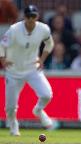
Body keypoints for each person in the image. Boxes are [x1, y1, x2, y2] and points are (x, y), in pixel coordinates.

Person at [0, 5, 55, 136]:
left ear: (37, 17)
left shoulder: (43, 29)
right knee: (10, 107)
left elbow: (50, 44)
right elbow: (1, 45)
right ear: (24, 17)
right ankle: (13, 125)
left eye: (33, 16)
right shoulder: (14, 30)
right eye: (28, 16)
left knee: (47, 94)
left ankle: (38, 110)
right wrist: (3, 60)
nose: (31, 19)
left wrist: (42, 59)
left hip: (32, 68)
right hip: (13, 71)